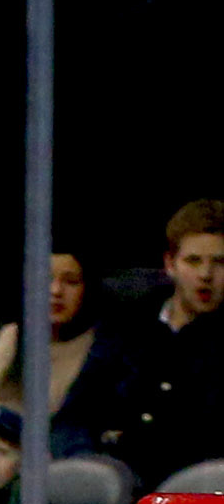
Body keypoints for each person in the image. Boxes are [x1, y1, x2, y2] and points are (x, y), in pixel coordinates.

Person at [76, 200, 224, 488]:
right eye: (193, 261)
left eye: (220, 262)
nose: (206, 275)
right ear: (170, 264)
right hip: (115, 484)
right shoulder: (126, 324)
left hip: (199, 493)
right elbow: (79, 412)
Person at [0, 249, 115, 457]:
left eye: (71, 282)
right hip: (1, 455)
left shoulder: (105, 347)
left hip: (67, 458)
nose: (56, 291)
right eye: (45, 279)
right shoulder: (13, 336)